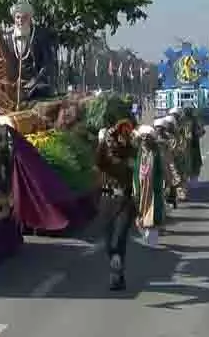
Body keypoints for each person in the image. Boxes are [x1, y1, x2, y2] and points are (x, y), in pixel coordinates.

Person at [95, 119, 138, 291]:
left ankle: (117, 275)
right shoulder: (106, 157)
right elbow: (99, 161)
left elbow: (126, 159)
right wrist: (103, 140)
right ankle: (116, 267)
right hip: (106, 200)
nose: (117, 140)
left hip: (124, 201)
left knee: (119, 238)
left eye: (123, 136)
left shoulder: (130, 155)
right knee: (108, 242)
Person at [6, 2, 54, 101]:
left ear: (30, 18)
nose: (20, 21)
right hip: (14, 85)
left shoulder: (40, 36)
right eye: (18, 17)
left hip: (36, 84)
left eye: (24, 17)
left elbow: (47, 64)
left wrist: (34, 81)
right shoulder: (7, 37)